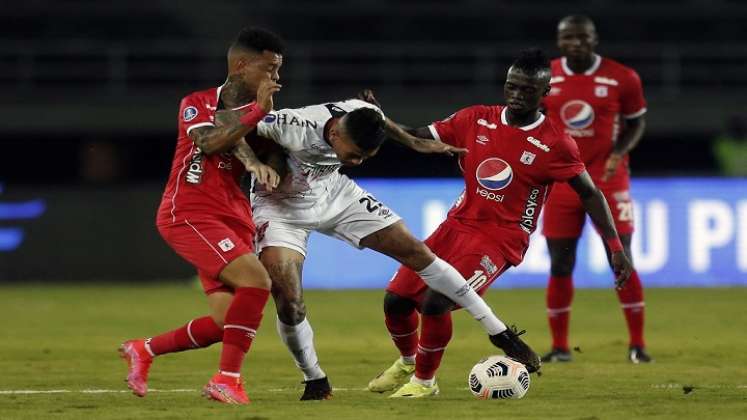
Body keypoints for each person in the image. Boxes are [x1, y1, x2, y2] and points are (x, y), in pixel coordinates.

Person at [366, 48, 633, 398]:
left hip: (499, 239)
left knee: (436, 302)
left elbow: (591, 193)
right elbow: (419, 136)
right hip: (455, 225)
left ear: (544, 93)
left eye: (526, 89)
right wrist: (380, 121)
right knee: (396, 301)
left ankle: (424, 383)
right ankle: (407, 362)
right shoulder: (475, 118)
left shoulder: (556, 143)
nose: (517, 95)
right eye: (512, 86)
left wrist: (614, 247)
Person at [240, 95, 540, 400]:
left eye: (365, 157)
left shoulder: (362, 111)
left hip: (335, 194)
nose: (357, 162)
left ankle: (498, 332)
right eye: (354, 155)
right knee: (290, 303)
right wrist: (253, 162)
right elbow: (232, 128)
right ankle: (315, 378)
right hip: (280, 207)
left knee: (418, 253)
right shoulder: (291, 125)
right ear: (334, 134)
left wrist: (413, 142)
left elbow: (377, 116)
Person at [118, 27, 285, 405]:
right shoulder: (197, 102)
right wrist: (259, 110)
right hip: (190, 212)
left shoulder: (261, 115)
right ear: (242, 65)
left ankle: (144, 349)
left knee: (229, 321)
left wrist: (268, 162)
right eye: (270, 68)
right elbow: (210, 142)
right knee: (257, 283)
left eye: (278, 70)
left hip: (233, 218)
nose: (276, 78)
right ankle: (227, 380)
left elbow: (273, 149)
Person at [540, 15, 652, 363]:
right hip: (562, 182)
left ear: (594, 39)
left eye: (582, 37)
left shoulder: (622, 77)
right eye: (568, 37)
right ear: (559, 41)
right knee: (560, 263)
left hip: (607, 178)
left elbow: (636, 122)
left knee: (622, 259)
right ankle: (560, 348)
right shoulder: (546, 76)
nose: (575, 42)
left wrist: (619, 152)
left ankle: (637, 345)